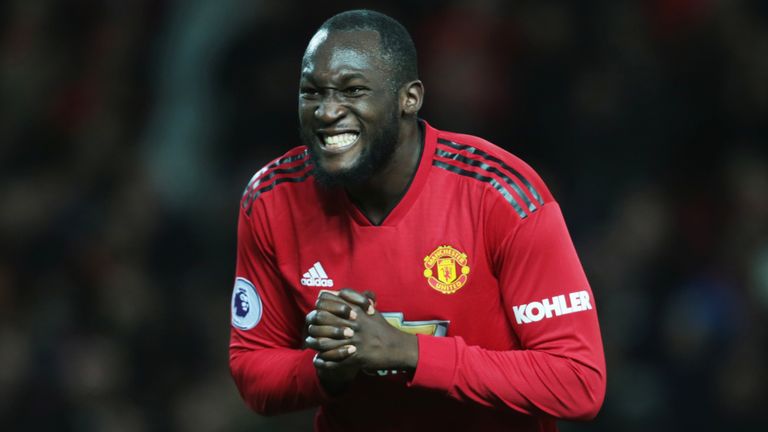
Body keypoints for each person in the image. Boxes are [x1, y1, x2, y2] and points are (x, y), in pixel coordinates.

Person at [229, 9, 606, 431]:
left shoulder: (498, 195)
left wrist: (410, 353)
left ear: (409, 98)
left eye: (352, 90)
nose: (326, 111)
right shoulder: (272, 199)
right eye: (311, 92)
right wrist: (326, 371)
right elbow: (252, 368)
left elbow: (578, 382)